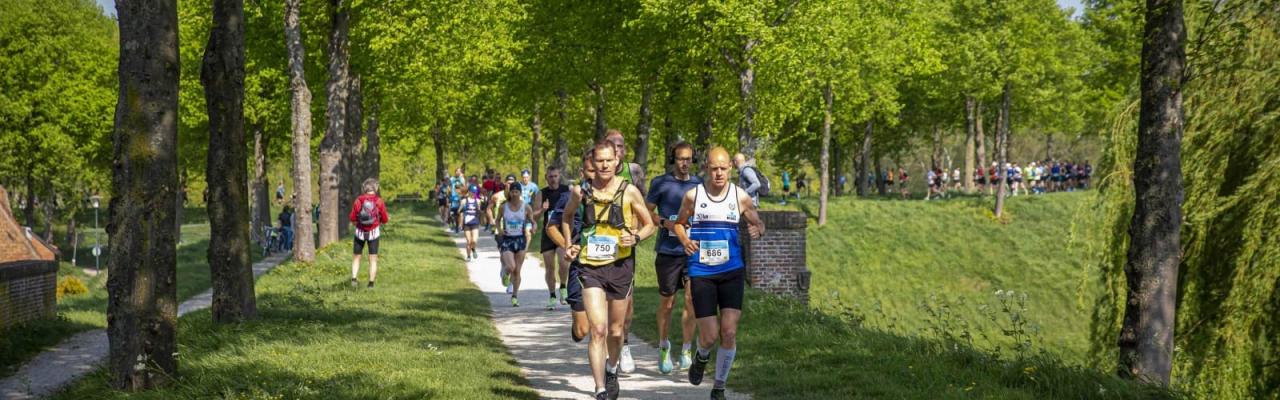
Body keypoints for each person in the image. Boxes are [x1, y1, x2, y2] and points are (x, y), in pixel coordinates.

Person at [560, 142, 656, 400]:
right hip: (590, 266)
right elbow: (566, 217)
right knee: (598, 329)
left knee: (616, 331)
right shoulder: (581, 192)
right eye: (599, 161)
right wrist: (570, 245)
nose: (603, 166)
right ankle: (600, 387)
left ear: (617, 162)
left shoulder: (630, 191)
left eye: (608, 161)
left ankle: (612, 369)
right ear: (593, 163)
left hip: (620, 266)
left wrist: (635, 238)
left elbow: (650, 225)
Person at [673, 147, 765, 400]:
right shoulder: (694, 196)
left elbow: (758, 223)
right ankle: (702, 356)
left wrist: (758, 229)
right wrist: (684, 239)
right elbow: (679, 223)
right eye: (714, 168)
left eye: (723, 168)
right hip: (702, 272)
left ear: (730, 169)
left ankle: (719, 387)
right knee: (710, 336)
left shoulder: (740, 196)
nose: (718, 173)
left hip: (731, 270)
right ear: (706, 169)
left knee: (729, 332)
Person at [646, 142, 702, 375]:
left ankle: (687, 350)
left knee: (691, 300)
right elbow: (646, 211)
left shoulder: (699, 184)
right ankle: (663, 345)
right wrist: (665, 223)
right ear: (673, 159)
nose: (684, 163)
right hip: (668, 251)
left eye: (688, 158)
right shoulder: (660, 183)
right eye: (680, 158)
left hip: (692, 250)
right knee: (668, 304)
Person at [602, 128, 646, 373]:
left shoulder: (635, 171)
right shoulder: (595, 169)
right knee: (602, 303)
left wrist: (636, 233)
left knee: (625, 303)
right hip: (598, 248)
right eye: (611, 146)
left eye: (620, 146)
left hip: (625, 247)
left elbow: (644, 206)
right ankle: (604, 343)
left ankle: (624, 344)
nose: (616, 150)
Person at [548, 149, 598, 343]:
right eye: (589, 170)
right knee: (582, 331)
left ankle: (609, 365)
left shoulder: (615, 195)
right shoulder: (571, 196)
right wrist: (567, 245)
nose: (594, 174)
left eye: (598, 169)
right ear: (582, 172)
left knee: (603, 326)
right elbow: (551, 227)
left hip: (608, 265)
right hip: (580, 263)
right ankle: (577, 324)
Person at [534, 166, 570, 309]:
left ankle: (563, 286)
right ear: (546, 177)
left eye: (555, 176)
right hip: (548, 233)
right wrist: (543, 209)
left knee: (563, 263)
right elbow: (534, 216)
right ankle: (552, 296)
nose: (553, 179)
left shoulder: (566, 191)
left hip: (562, 232)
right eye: (550, 176)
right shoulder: (541, 193)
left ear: (559, 176)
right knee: (549, 267)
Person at [498, 181, 535, 306]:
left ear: (520, 192)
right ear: (510, 192)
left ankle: (515, 296)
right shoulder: (504, 207)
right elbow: (497, 220)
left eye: (517, 192)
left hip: (520, 239)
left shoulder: (526, 207)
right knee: (511, 266)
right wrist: (499, 230)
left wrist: (534, 227)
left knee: (517, 271)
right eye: (513, 191)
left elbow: (532, 221)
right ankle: (505, 273)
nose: (514, 194)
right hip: (508, 239)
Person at [349, 178, 389, 289]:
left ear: (364, 188)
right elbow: (385, 219)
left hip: (359, 232)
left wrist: (356, 223)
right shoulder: (379, 201)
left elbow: (352, 217)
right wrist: (380, 221)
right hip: (374, 233)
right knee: (373, 258)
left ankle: (353, 279)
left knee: (356, 257)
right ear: (375, 188)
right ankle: (371, 284)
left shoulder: (358, 200)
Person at [458, 186, 483, 260]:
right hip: (466, 223)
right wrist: (460, 212)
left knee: (474, 240)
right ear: (469, 192)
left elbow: (479, 210)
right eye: (472, 192)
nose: (474, 194)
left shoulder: (478, 201)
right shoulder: (464, 201)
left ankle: (473, 249)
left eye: (475, 192)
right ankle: (469, 256)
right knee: (469, 241)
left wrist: (481, 213)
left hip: (475, 222)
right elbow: (459, 210)